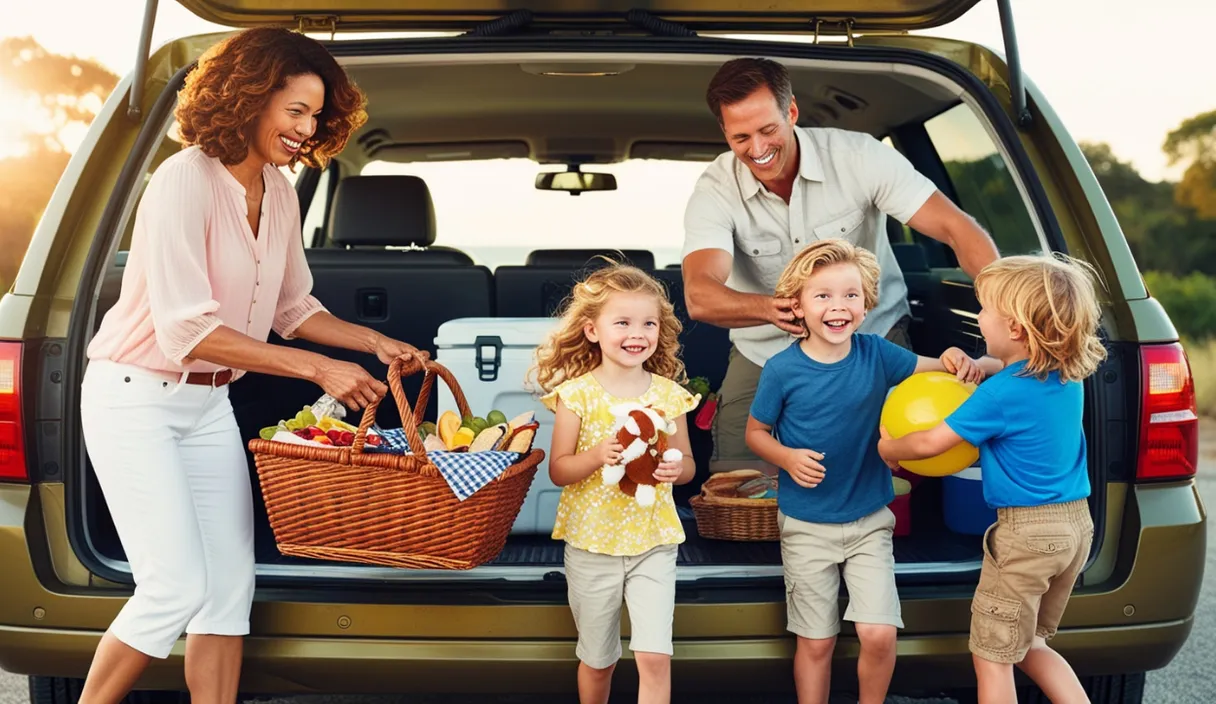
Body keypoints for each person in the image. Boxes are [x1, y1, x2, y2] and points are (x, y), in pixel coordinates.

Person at [78, 27, 425, 704]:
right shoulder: (184, 180)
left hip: (208, 407)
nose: (306, 128)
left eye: (316, 116)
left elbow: (294, 307)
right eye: (294, 110)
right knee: (174, 587)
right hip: (135, 400)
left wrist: (368, 344)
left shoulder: (280, 190)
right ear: (247, 97)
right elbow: (186, 329)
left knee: (228, 593)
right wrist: (317, 370)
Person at [681, 56, 1001, 467]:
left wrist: (1008, 307)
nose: (758, 149)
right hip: (765, 351)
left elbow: (957, 229)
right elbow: (701, 296)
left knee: (890, 459)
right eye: (741, 137)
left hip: (875, 334)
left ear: (791, 111)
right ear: (724, 131)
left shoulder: (859, 157)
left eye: (768, 129)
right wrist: (773, 310)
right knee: (737, 473)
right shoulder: (714, 190)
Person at [744, 239, 1000, 704]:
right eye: (822, 296)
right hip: (805, 525)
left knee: (879, 634)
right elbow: (756, 432)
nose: (837, 306)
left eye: (850, 295)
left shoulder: (877, 354)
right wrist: (785, 458)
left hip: (869, 521)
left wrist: (955, 359)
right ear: (798, 305)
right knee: (816, 641)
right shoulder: (782, 370)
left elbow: (934, 372)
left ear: (866, 304)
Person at [878, 254, 1107, 704]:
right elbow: (1009, 369)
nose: (979, 318)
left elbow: (930, 444)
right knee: (1031, 645)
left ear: (1016, 329)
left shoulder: (1000, 396)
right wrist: (982, 365)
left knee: (992, 658)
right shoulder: (1064, 374)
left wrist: (890, 448)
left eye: (984, 311)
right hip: (1075, 528)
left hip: (1027, 536)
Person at [532, 263, 700, 704]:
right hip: (591, 546)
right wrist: (596, 456)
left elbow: (687, 465)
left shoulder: (668, 394)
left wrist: (673, 468)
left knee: (655, 655)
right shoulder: (577, 395)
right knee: (598, 658)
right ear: (592, 331)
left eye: (648, 323)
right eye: (622, 322)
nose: (636, 333)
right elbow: (559, 470)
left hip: (653, 542)